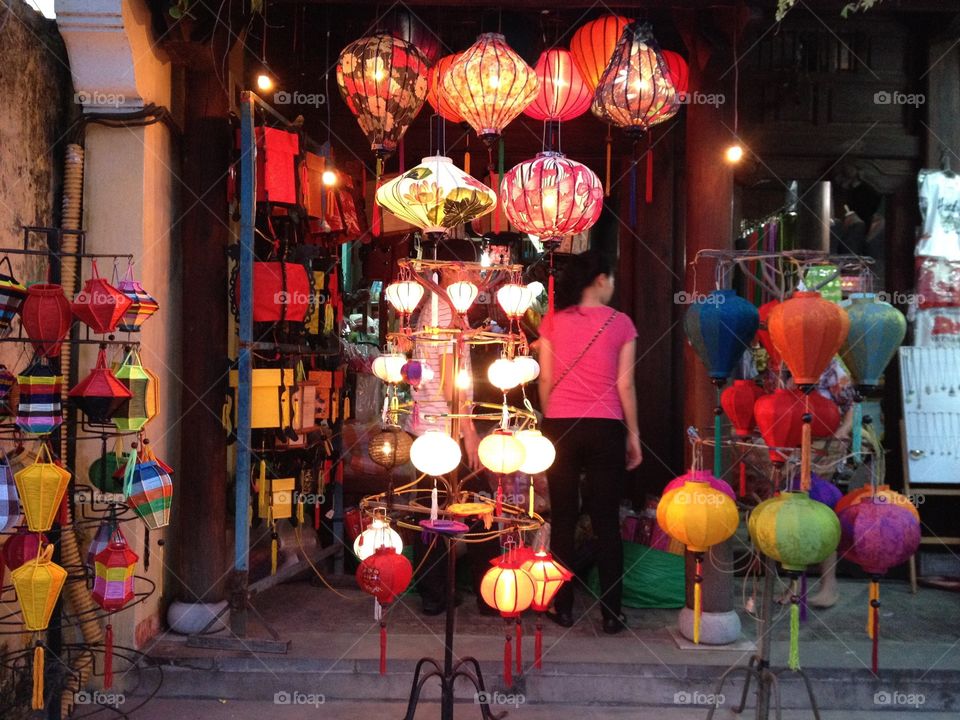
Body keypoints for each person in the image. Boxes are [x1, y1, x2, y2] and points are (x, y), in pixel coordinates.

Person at [536, 249, 642, 635]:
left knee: (563, 518)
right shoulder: (621, 324)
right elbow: (625, 385)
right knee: (605, 522)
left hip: (561, 425)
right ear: (600, 280)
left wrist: (555, 416)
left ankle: (561, 607)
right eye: (611, 278)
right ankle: (611, 613)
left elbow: (544, 380)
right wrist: (634, 435)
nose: (613, 285)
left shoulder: (552, 323)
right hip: (606, 427)